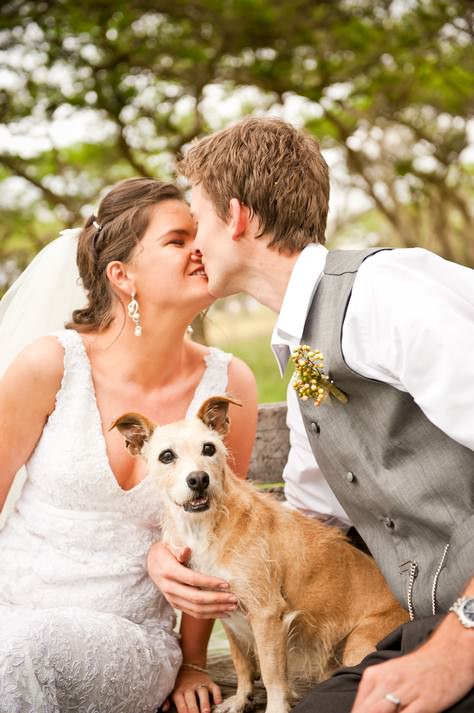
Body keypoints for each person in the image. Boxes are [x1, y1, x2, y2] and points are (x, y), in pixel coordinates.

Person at [148, 117, 474, 713]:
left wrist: (462, 640)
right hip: (415, 624)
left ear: (238, 218)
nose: (194, 246)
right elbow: (303, 516)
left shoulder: (386, 295)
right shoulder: (302, 348)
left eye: (199, 223)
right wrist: (180, 555)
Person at [0, 177, 258, 713]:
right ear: (122, 276)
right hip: (10, 608)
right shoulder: (50, 365)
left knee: (23, 650)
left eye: (199, 234)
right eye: (176, 239)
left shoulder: (229, 384)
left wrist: (192, 663)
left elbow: (218, 538)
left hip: (127, 636)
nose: (199, 248)